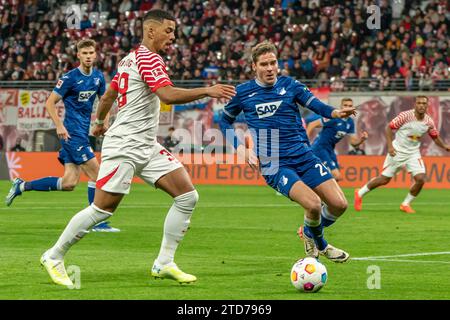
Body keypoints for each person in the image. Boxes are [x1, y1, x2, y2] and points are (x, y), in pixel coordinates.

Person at [39, 9, 235, 287]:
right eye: (169, 30)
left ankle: (164, 263)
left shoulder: (129, 59)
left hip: (145, 143)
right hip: (126, 144)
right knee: (103, 209)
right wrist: (207, 90)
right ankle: (54, 255)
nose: (173, 36)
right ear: (151, 31)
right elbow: (166, 94)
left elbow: (108, 95)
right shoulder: (148, 58)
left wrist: (100, 121)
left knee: (187, 197)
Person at [219, 41, 356, 263]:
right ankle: (320, 244)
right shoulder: (243, 93)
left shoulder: (290, 85)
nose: (270, 68)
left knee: (339, 204)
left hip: (303, 155)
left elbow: (316, 105)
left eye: (273, 63)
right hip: (274, 163)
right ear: (254, 66)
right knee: (312, 204)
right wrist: (241, 149)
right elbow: (224, 121)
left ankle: (309, 232)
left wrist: (335, 112)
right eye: (264, 64)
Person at [5, 39, 119, 232]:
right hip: (71, 133)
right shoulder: (70, 78)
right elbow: (50, 103)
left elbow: (104, 101)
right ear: (78, 55)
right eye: (85, 53)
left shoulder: (98, 78)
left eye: (91, 53)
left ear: (96, 54)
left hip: (82, 133)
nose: (89, 56)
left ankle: (22, 186)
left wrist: (103, 122)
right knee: (98, 175)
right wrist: (59, 126)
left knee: (69, 183)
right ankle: (97, 222)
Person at [354, 96, 450, 213]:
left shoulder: (428, 121)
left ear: (427, 106)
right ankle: (359, 193)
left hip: (413, 153)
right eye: (419, 103)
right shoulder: (405, 116)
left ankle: (405, 204)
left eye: (424, 103)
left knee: (421, 179)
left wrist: (445, 146)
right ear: (415, 105)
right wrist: (390, 146)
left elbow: (434, 136)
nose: (421, 105)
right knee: (384, 179)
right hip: (397, 151)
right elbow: (388, 128)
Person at [306, 98, 369, 181]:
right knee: (336, 176)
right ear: (341, 107)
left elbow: (353, 143)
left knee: (336, 178)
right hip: (320, 147)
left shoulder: (350, 122)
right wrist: (305, 142)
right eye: (345, 105)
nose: (347, 107)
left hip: (330, 149)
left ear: (352, 108)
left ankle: (318, 191)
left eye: (350, 106)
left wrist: (362, 140)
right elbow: (312, 124)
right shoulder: (334, 118)